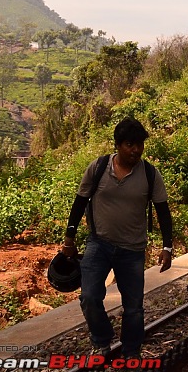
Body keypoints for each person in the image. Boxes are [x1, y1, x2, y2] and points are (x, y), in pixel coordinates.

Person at [62, 117, 173, 359]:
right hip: (98, 244)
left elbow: (163, 211)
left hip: (132, 250)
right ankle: (102, 340)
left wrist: (168, 246)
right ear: (118, 145)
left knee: (133, 307)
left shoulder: (150, 174)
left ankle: (131, 352)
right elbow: (79, 202)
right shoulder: (98, 168)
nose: (136, 150)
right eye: (130, 145)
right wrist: (69, 238)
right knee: (89, 297)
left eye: (139, 145)